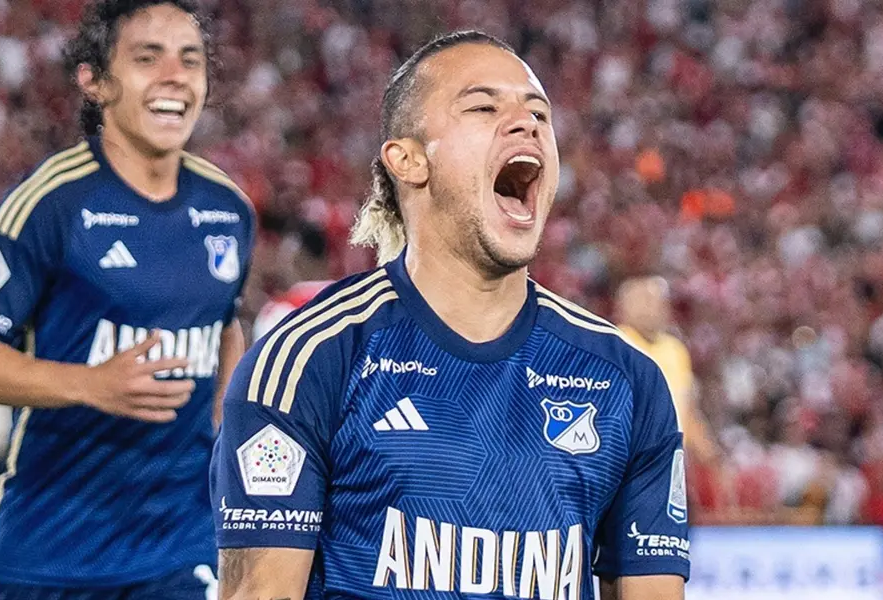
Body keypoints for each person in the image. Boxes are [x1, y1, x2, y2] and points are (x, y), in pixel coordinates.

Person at [209, 30, 689, 600]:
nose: (526, 123)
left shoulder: (626, 378)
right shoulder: (310, 358)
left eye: (539, 112)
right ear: (408, 160)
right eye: (485, 107)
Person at [0, 1, 253, 598]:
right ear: (95, 81)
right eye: (147, 58)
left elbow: (225, 320)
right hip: (53, 552)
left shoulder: (228, 208)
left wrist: (228, 422)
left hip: (181, 546)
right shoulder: (52, 202)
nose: (175, 77)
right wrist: (90, 384)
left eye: (191, 59)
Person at [616, 276, 720, 467]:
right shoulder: (617, 345)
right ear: (624, 306)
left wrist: (709, 454)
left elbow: (686, 408)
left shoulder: (675, 350)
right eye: (643, 300)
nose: (652, 308)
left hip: (671, 458)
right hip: (631, 457)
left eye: (656, 301)